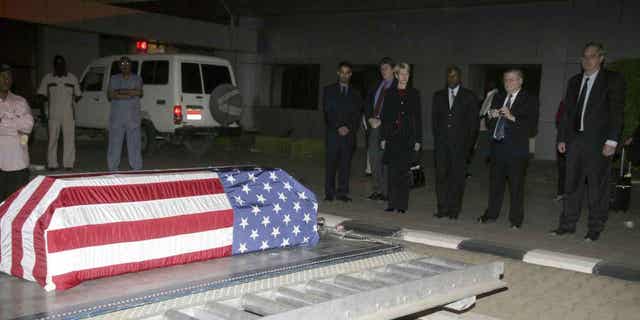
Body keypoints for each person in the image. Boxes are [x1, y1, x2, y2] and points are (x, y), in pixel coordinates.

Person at [552, 42, 626, 241]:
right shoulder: (574, 81)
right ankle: (567, 225)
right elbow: (567, 113)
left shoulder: (612, 79)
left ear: (601, 58)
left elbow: (617, 112)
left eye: (592, 56)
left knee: (597, 187)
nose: (587, 60)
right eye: (584, 56)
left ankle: (595, 227)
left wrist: (612, 140)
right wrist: (562, 138)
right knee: (571, 185)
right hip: (575, 140)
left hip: (599, 142)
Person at [478, 69, 539, 229]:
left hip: (516, 150)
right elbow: (490, 124)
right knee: (495, 185)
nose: (508, 83)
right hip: (498, 147)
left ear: (520, 81)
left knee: (516, 186)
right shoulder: (498, 97)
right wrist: (491, 116)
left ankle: (516, 220)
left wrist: (512, 117)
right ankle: (491, 214)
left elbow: (532, 128)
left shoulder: (529, 99)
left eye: (512, 80)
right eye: (506, 80)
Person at [432, 65, 479, 219]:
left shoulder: (469, 96)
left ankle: (454, 210)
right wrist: (438, 141)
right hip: (442, 146)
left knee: (457, 179)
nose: (452, 78)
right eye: (449, 76)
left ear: (460, 78)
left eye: (455, 76)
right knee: (441, 177)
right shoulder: (438, 96)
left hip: (460, 147)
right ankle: (442, 208)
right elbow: (435, 121)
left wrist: (469, 147)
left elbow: (473, 124)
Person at [380, 62, 422, 213]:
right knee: (392, 172)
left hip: (408, 137)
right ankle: (392, 203)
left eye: (407, 74)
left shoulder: (414, 93)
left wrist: (418, 140)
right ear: (396, 75)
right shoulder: (389, 93)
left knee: (404, 172)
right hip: (392, 137)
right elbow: (385, 117)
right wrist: (383, 138)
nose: (405, 77)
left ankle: (402, 205)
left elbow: (417, 118)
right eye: (402, 74)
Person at [323, 61, 362, 202]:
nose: (344, 75)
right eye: (342, 72)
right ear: (338, 73)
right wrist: (339, 126)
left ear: (350, 74)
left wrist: (349, 128)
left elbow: (357, 115)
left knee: (345, 165)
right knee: (331, 164)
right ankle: (329, 192)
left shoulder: (356, 93)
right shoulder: (329, 90)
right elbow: (328, 112)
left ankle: (342, 193)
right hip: (333, 133)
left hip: (348, 135)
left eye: (347, 72)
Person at [37, 55, 81, 171]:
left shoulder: (72, 78)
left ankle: (68, 164)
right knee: (52, 139)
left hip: (68, 114)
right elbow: (41, 96)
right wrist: (42, 113)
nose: (59, 66)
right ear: (54, 65)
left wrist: (71, 103)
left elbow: (78, 95)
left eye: (62, 63)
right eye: (57, 64)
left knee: (69, 139)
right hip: (53, 114)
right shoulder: (47, 78)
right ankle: (52, 164)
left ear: (65, 65)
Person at [0, 63, 34, 200]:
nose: (6, 80)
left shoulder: (20, 101)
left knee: (17, 206)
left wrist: (22, 141)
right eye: (2, 76)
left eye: (8, 76)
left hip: (18, 163)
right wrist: (17, 127)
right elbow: (22, 126)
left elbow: (28, 126)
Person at [364, 57, 396, 201]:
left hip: (387, 127)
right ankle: (377, 190)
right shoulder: (376, 85)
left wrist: (382, 120)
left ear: (393, 69)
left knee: (385, 160)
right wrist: (370, 117)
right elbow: (367, 103)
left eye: (386, 68)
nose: (383, 71)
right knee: (374, 158)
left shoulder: (397, 86)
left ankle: (386, 191)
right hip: (373, 126)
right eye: (382, 69)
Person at [107, 56, 144, 171]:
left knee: (135, 145)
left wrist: (119, 92)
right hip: (117, 119)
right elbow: (110, 95)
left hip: (132, 119)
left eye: (127, 64)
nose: (125, 66)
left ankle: (136, 169)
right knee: (114, 144)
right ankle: (113, 169)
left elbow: (139, 92)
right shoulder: (113, 78)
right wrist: (130, 93)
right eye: (122, 64)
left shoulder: (137, 78)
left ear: (130, 66)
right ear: (119, 66)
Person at [555, 100, 567, 201]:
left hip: (577, 141)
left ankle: (569, 194)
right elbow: (558, 120)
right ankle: (560, 193)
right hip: (563, 140)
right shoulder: (564, 102)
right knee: (562, 169)